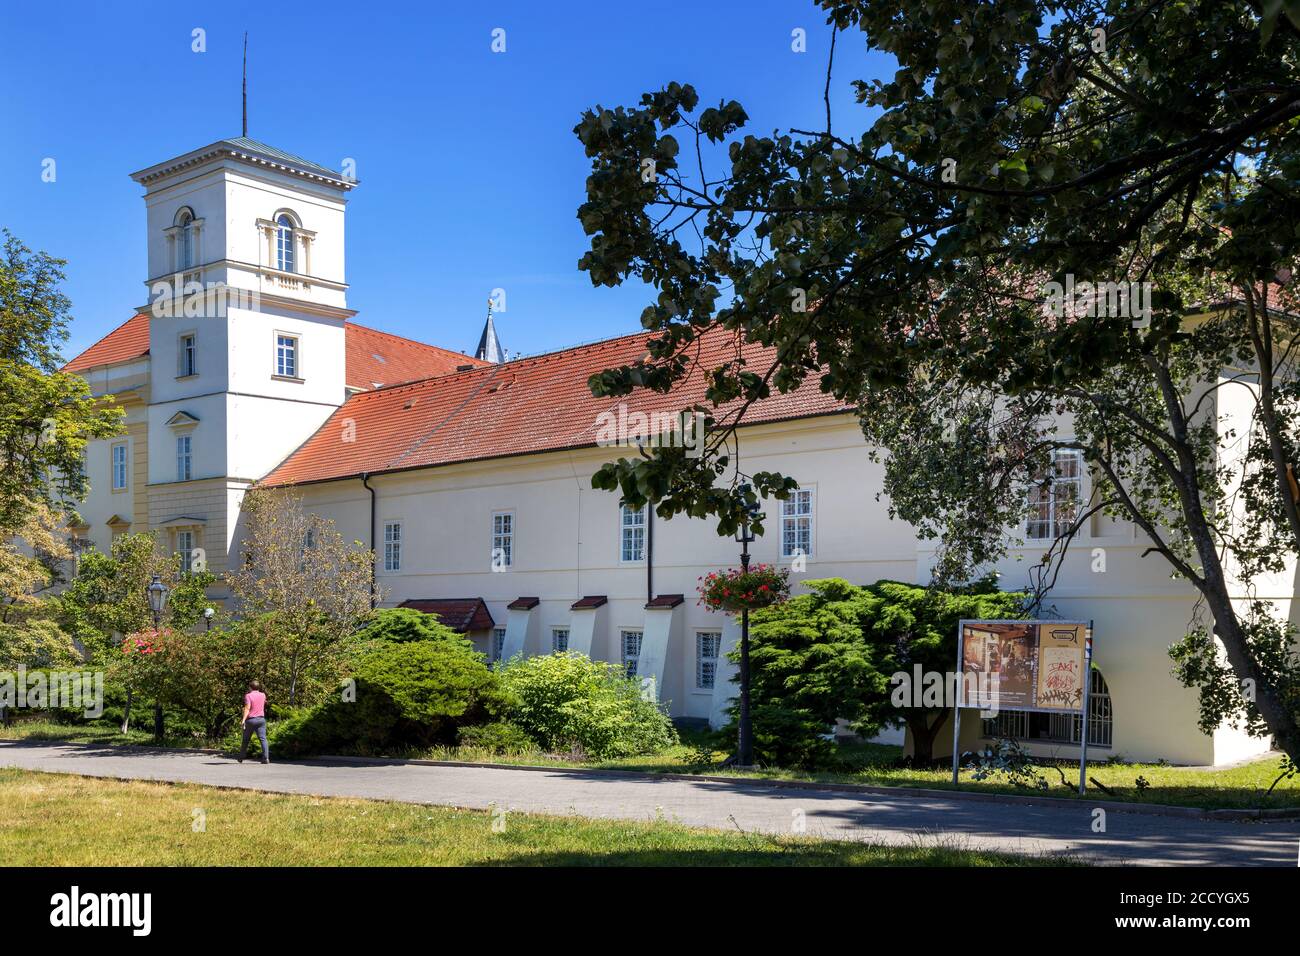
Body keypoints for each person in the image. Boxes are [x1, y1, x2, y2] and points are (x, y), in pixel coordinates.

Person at [238, 680, 269, 764]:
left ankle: (241, 757)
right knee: (263, 739)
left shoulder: (248, 696)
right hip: (261, 720)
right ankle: (265, 758)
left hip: (251, 720)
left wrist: (243, 720)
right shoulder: (263, 695)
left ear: (250, 687)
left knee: (246, 739)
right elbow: (263, 703)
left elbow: (247, 708)